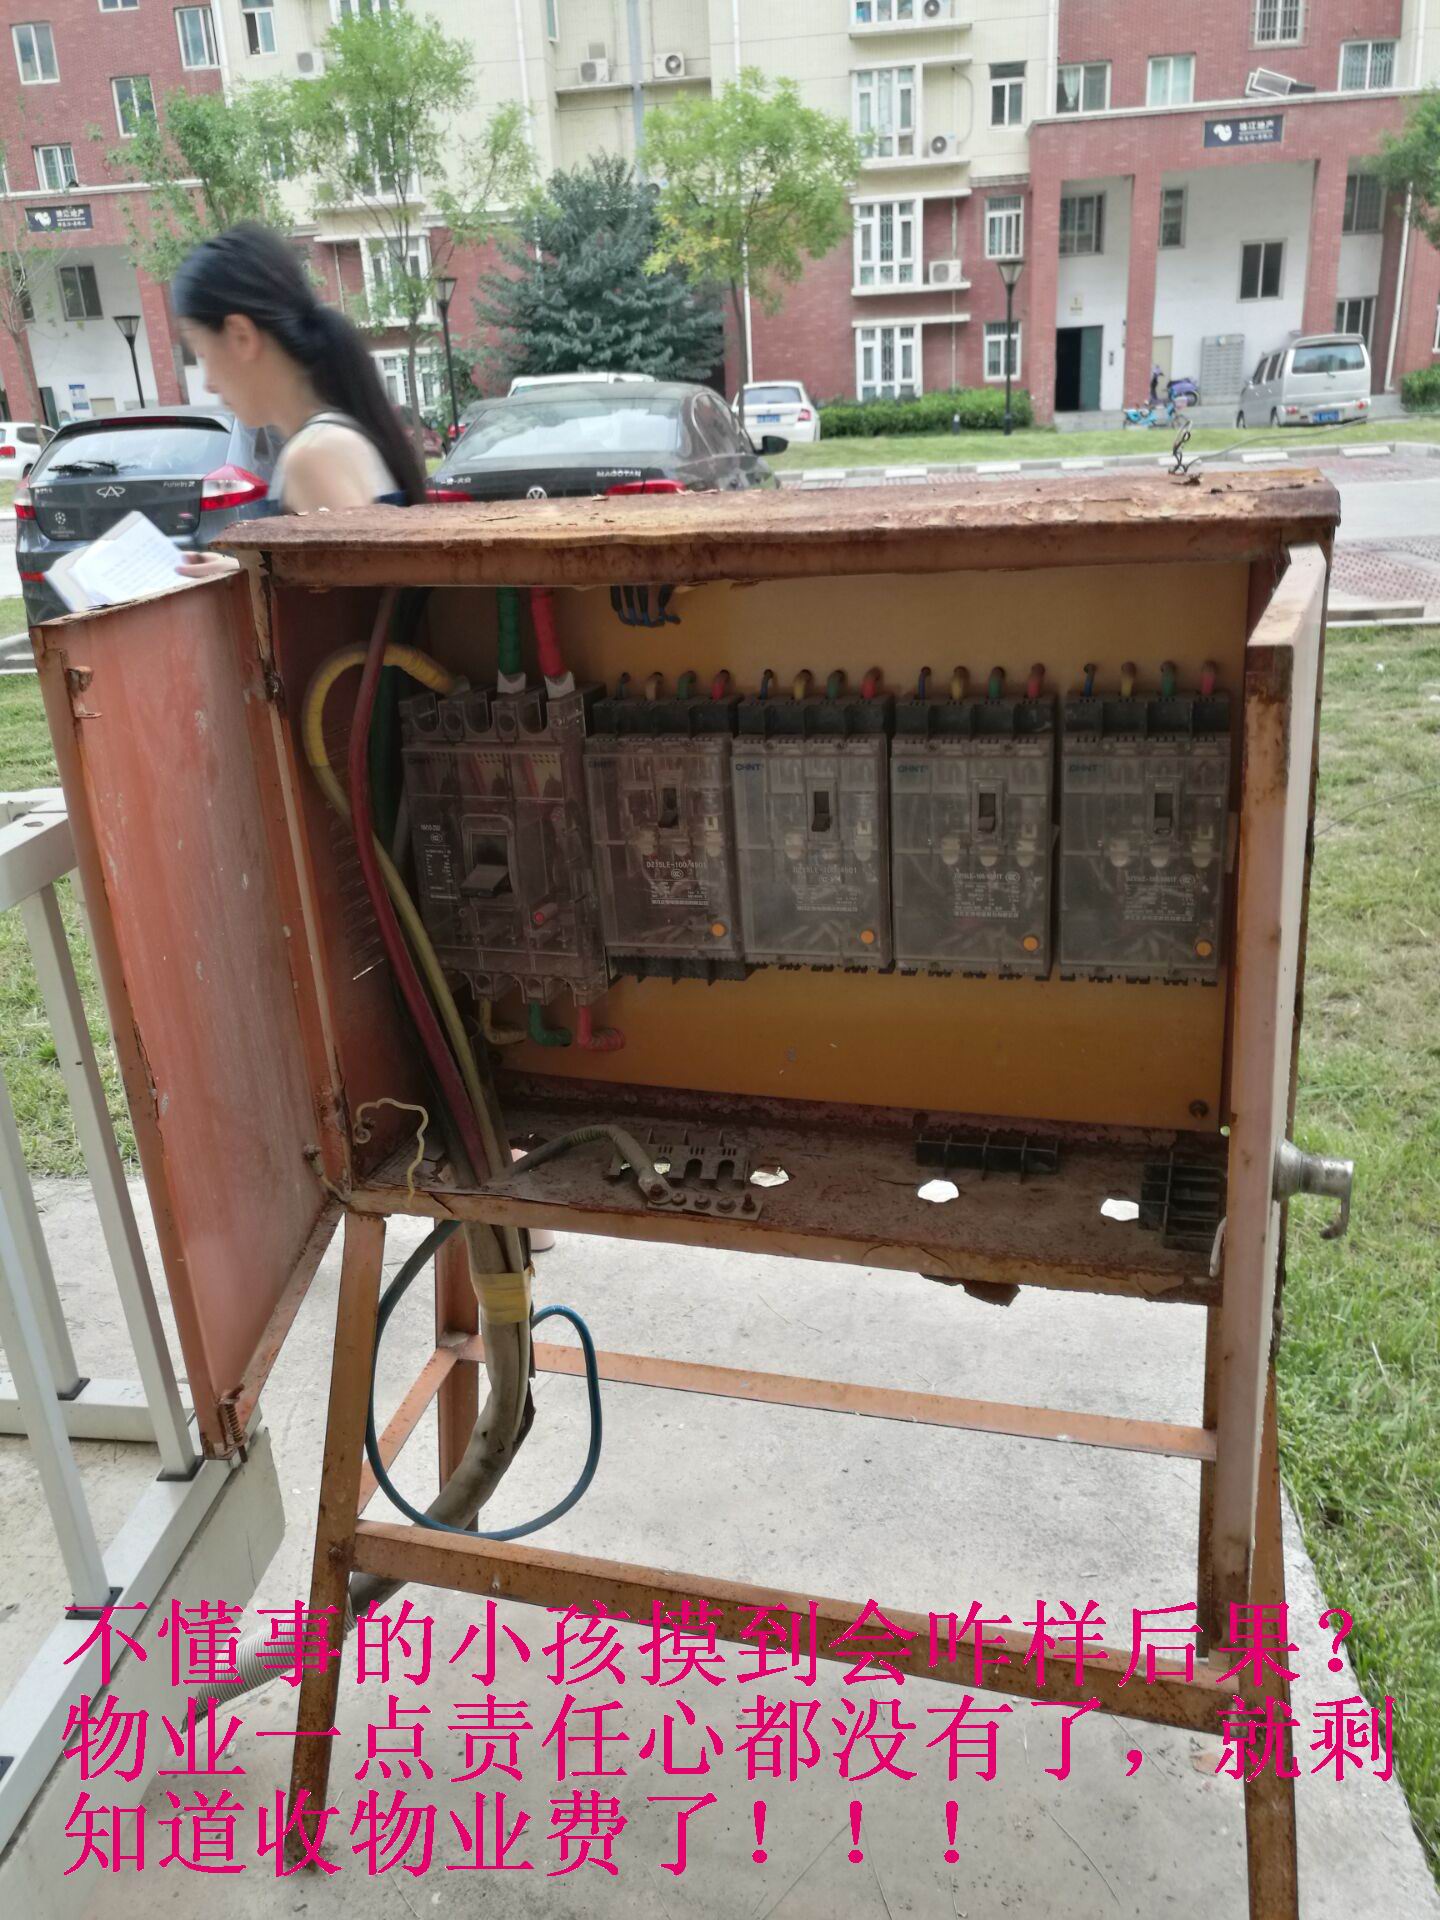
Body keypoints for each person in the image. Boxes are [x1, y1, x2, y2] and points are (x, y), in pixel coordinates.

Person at [168, 222, 426, 579]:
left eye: (202, 353)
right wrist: (243, 570)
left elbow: (348, 608)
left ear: (241, 336)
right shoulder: (334, 436)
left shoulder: (313, 456)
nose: (209, 383)